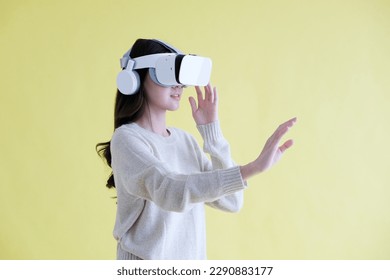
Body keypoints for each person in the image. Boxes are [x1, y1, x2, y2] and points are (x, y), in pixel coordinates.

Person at [96, 38, 297, 260]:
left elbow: (231, 201)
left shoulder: (185, 141)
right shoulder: (126, 139)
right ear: (133, 78)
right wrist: (252, 168)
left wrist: (213, 134)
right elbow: (169, 189)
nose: (178, 86)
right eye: (166, 73)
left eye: (181, 78)